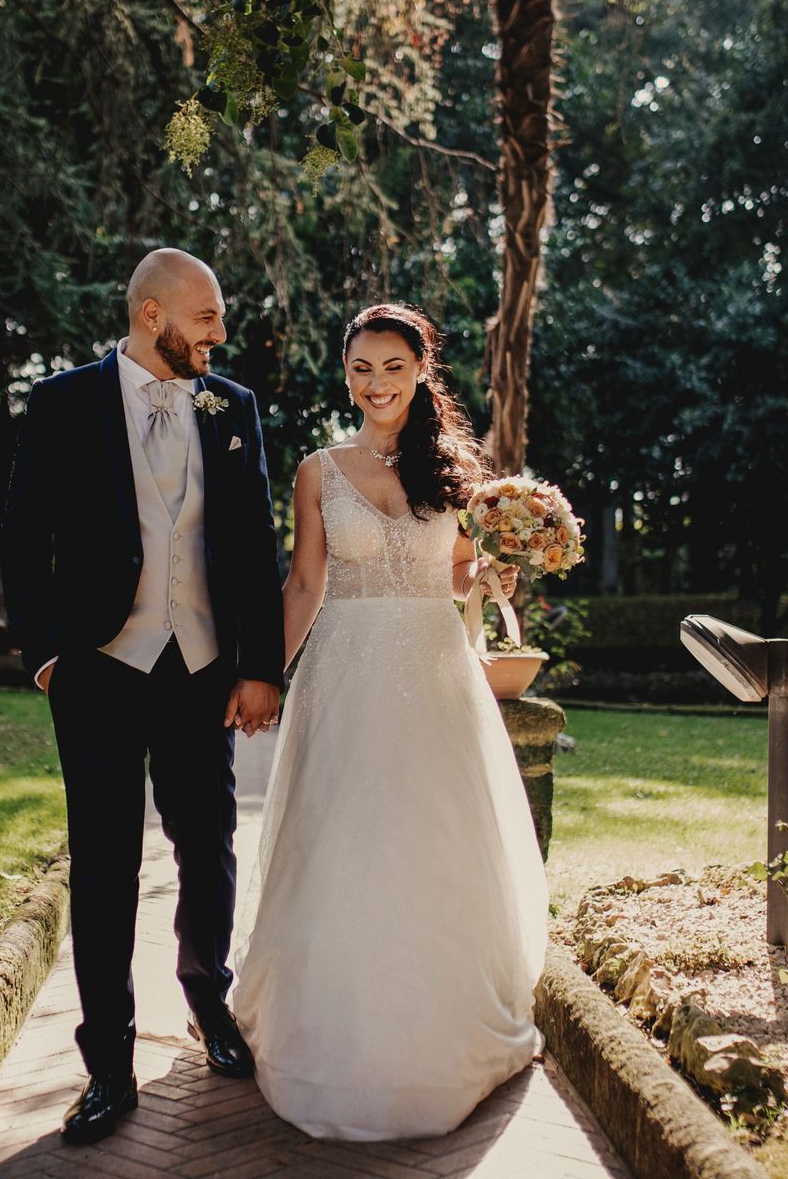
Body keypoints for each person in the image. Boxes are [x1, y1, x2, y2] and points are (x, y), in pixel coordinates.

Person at [229, 302, 550, 1140]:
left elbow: (449, 576)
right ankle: (326, 1029)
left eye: (393, 368)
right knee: (340, 839)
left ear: (421, 372)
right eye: (362, 369)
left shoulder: (455, 470)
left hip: (435, 681)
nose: (377, 384)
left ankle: (438, 1039)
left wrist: (493, 575)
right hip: (342, 677)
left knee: (432, 842)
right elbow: (304, 585)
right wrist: (260, 674)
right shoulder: (318, 471)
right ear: (347, 376)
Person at [1, 248, 285, 1145]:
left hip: (201, 668)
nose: (220, 333)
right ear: (152, 313)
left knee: (209, 848)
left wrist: (259, 666)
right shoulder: (61, 401)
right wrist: (47, 655)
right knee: (105, 864)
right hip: (98, 668)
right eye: (207, 316)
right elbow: (20, 534)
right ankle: (108, 1063)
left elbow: (253, 544)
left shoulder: (230, 407)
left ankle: (209, 1004)